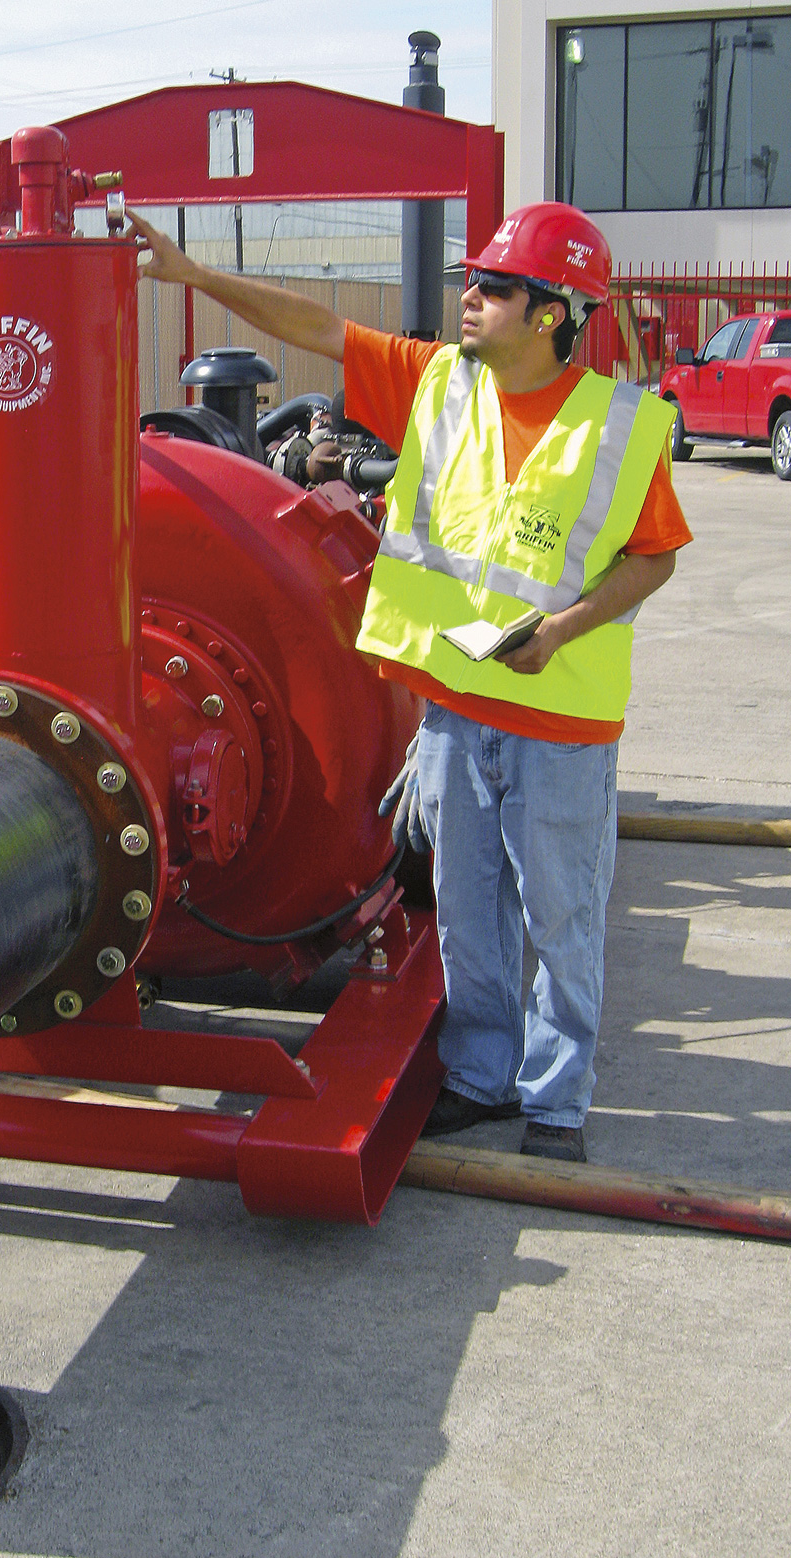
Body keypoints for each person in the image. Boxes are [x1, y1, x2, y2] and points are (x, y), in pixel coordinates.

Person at [128, 203, 692, 1163]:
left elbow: (654, 558)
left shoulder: (618, 426)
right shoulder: (439, 383)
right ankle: (479, 1076)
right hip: (450, 714)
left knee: (560, 916)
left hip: (562, 721)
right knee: (469, 909)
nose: (468, 300)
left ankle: (556, 1103)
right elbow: (313, 327)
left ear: (551, 313)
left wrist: (558, 631)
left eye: (494, 288)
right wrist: (190, 274)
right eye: (471, 282)